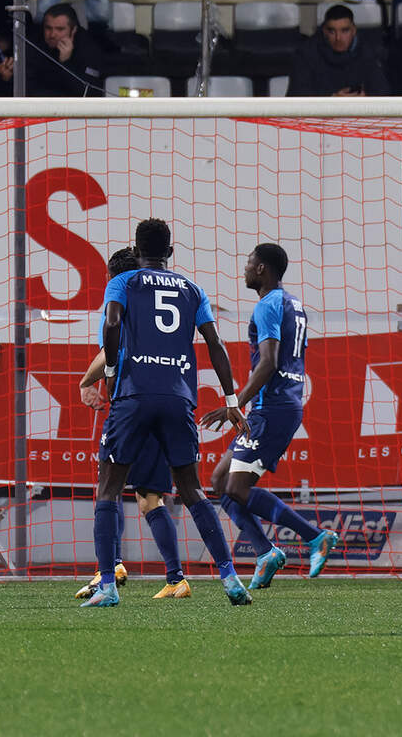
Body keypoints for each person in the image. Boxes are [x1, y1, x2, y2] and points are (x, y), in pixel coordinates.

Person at [83, 218, 251, 608]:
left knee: (109, 488)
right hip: (179, 397)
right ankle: (229, 578)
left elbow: (111, 323)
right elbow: (215, 342)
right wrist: (231, 399)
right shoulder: (193, 289)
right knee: (191, 490)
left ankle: (107, 585)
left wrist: (109, 374)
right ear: (170, 253)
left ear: (137, 252)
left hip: (134, 394)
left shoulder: (124, 282)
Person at [201, 244, 338, 591]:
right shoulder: (295, 304)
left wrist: (234, 402)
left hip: (272, 406)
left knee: (236, 487)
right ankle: (265, 552)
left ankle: (314, 536)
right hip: (282, 404)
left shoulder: (267, 305)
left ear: (262, 268)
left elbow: (269, 362)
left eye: (248, 263)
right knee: (220, 481)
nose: (245, 270)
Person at [76, 247, 190, 601]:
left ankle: (108, 570)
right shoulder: (163, 301)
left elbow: (113, 349)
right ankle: (176, 578)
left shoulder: (121, 300)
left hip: (129, 408)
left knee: (108, 488)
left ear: (112, 277)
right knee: (149, 498)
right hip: (164, 404)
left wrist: (85, 382)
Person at [288, 4, 389, 97]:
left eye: (345, 31)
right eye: (332, 31)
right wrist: (332, 100)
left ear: (354, 30)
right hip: (318, 116)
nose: (338, 38)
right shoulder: (306, 53)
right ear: (324, 31)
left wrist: (366, 99)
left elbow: (383, 92)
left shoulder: (367, 52)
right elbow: (297, 98)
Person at [26, 3, 103, 97]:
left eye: (60, 29)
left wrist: (66, 63)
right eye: (48, 28)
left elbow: (90, 93)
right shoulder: (35, 43)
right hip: (39, 104)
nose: (52, 34)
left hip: (74, 107)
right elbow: (28, 86)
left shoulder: (88, 48)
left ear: (73, 30)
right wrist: (9, 78)